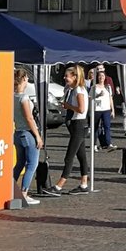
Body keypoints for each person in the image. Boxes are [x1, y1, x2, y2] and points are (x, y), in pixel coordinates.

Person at [43, 66, 90, 196]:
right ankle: (84, 184)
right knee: (81, 156)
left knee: (69, 157)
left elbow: (81, 109)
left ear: (75, 77)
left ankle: (59, 186)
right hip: (76, 125)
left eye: (67, 76)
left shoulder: (79, 90)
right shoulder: (73, 89)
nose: (65, 78)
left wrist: (67, 105)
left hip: (79, 125)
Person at [13, 68, 44, 205]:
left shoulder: (12, 96)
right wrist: (37, 136)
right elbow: (29, 118)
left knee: (20, 163)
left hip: (18, 132)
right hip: (27, 132)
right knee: (32, 164)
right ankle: (24, 193)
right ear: (24, 78)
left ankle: (11, 189)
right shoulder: (23, 98)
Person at [92, 71, 116, 152]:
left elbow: (110, 98)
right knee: (95, 127)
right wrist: (98, 95)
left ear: (105, 77)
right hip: (97, 109)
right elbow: (90, 97)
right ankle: (94, 144)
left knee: (107, 126)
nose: (101, 77)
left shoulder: (108, 87)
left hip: (106, 109)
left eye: (102, 76)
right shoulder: (94, 87)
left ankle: (109, 143)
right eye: (99, 76)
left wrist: (112, 109)